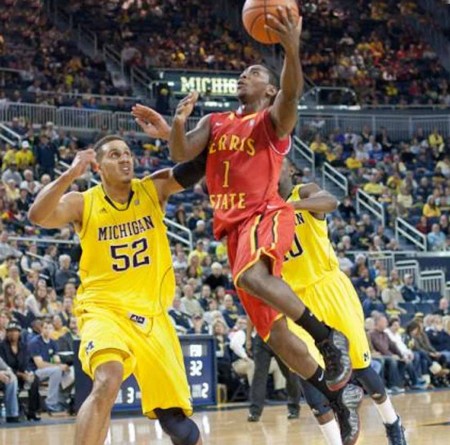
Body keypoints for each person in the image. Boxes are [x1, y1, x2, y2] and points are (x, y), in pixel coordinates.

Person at [133, 6, 352, 400]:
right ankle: (337, 397)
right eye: (243, 72)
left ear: (268, 90)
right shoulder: (215, 121)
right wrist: (178, 123)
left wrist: (291, 51)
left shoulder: (271, 121)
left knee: (251, 277)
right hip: (233, 229)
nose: (243, 75)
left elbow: (291, 93)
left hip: (264, 213)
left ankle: (327, 337)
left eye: (254, 73)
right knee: (276, 334)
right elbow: (182, 153)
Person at [28, 140, 202, 445]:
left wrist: (174, 133)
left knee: (176, 423)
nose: (125, 159)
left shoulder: (153, 189)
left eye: (128, 154)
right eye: (114, 155)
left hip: (151, 317)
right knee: (108, 379)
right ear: (99, 166)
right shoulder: (84, 201)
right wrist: (70, 174)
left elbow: (196, 167)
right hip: (104, 309)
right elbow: (38, 216)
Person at [276, 159, 407, 444]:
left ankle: (393, 424)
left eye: (277, 162)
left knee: (359, 367)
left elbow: (331, 201)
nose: (271, 167)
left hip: (329, 287)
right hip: (295, 301)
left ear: (290, 169)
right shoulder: (261, 211)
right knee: (306, 374)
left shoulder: (304, 192)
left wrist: (290, 208)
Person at [246, 319, 301, 422]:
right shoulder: (256, 302)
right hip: (262, 338)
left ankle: (294, 408)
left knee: (290, 374)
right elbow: (250, 317)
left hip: (281, 336)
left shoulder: (282, 302)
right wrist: (248, 339)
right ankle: (254, 411)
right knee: (259, 375)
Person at [0, 321, 41, 421]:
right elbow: (5, 366)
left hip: (21, 375)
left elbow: (27, 362)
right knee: (12, 379)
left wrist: (28, 372)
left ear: (19, 333)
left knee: (35, 380)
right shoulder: (2, 347)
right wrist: (20, 374)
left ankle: (32, 412)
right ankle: (14, 413)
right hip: (7, 375)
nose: (13, 333)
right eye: (10, 331)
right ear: (6, 333)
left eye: (15, 331)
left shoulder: (24, 346)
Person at [28, 319, 68, 413]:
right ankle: (50, 403)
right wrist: (58, 367)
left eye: (50, 328)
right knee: (57, 371)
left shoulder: (53, 342)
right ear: (41, 329)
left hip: (49, 370)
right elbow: (40, 364)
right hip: (35, 372)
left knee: (70, 372)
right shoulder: (35, 342)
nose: (47, 330)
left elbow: (56, 360)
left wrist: (63, 366)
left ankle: (62, 400)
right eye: (45, 328)